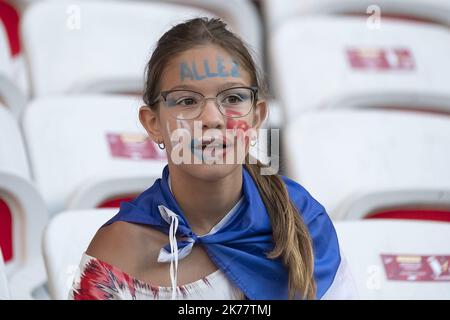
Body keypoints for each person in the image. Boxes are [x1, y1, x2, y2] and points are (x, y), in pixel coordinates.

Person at [69, 17, 357, 300]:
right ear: (153, 123)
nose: (212, 118)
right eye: (187, 101)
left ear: (256, 117)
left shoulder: (304, 223)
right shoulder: (116, 256)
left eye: (232, 98)